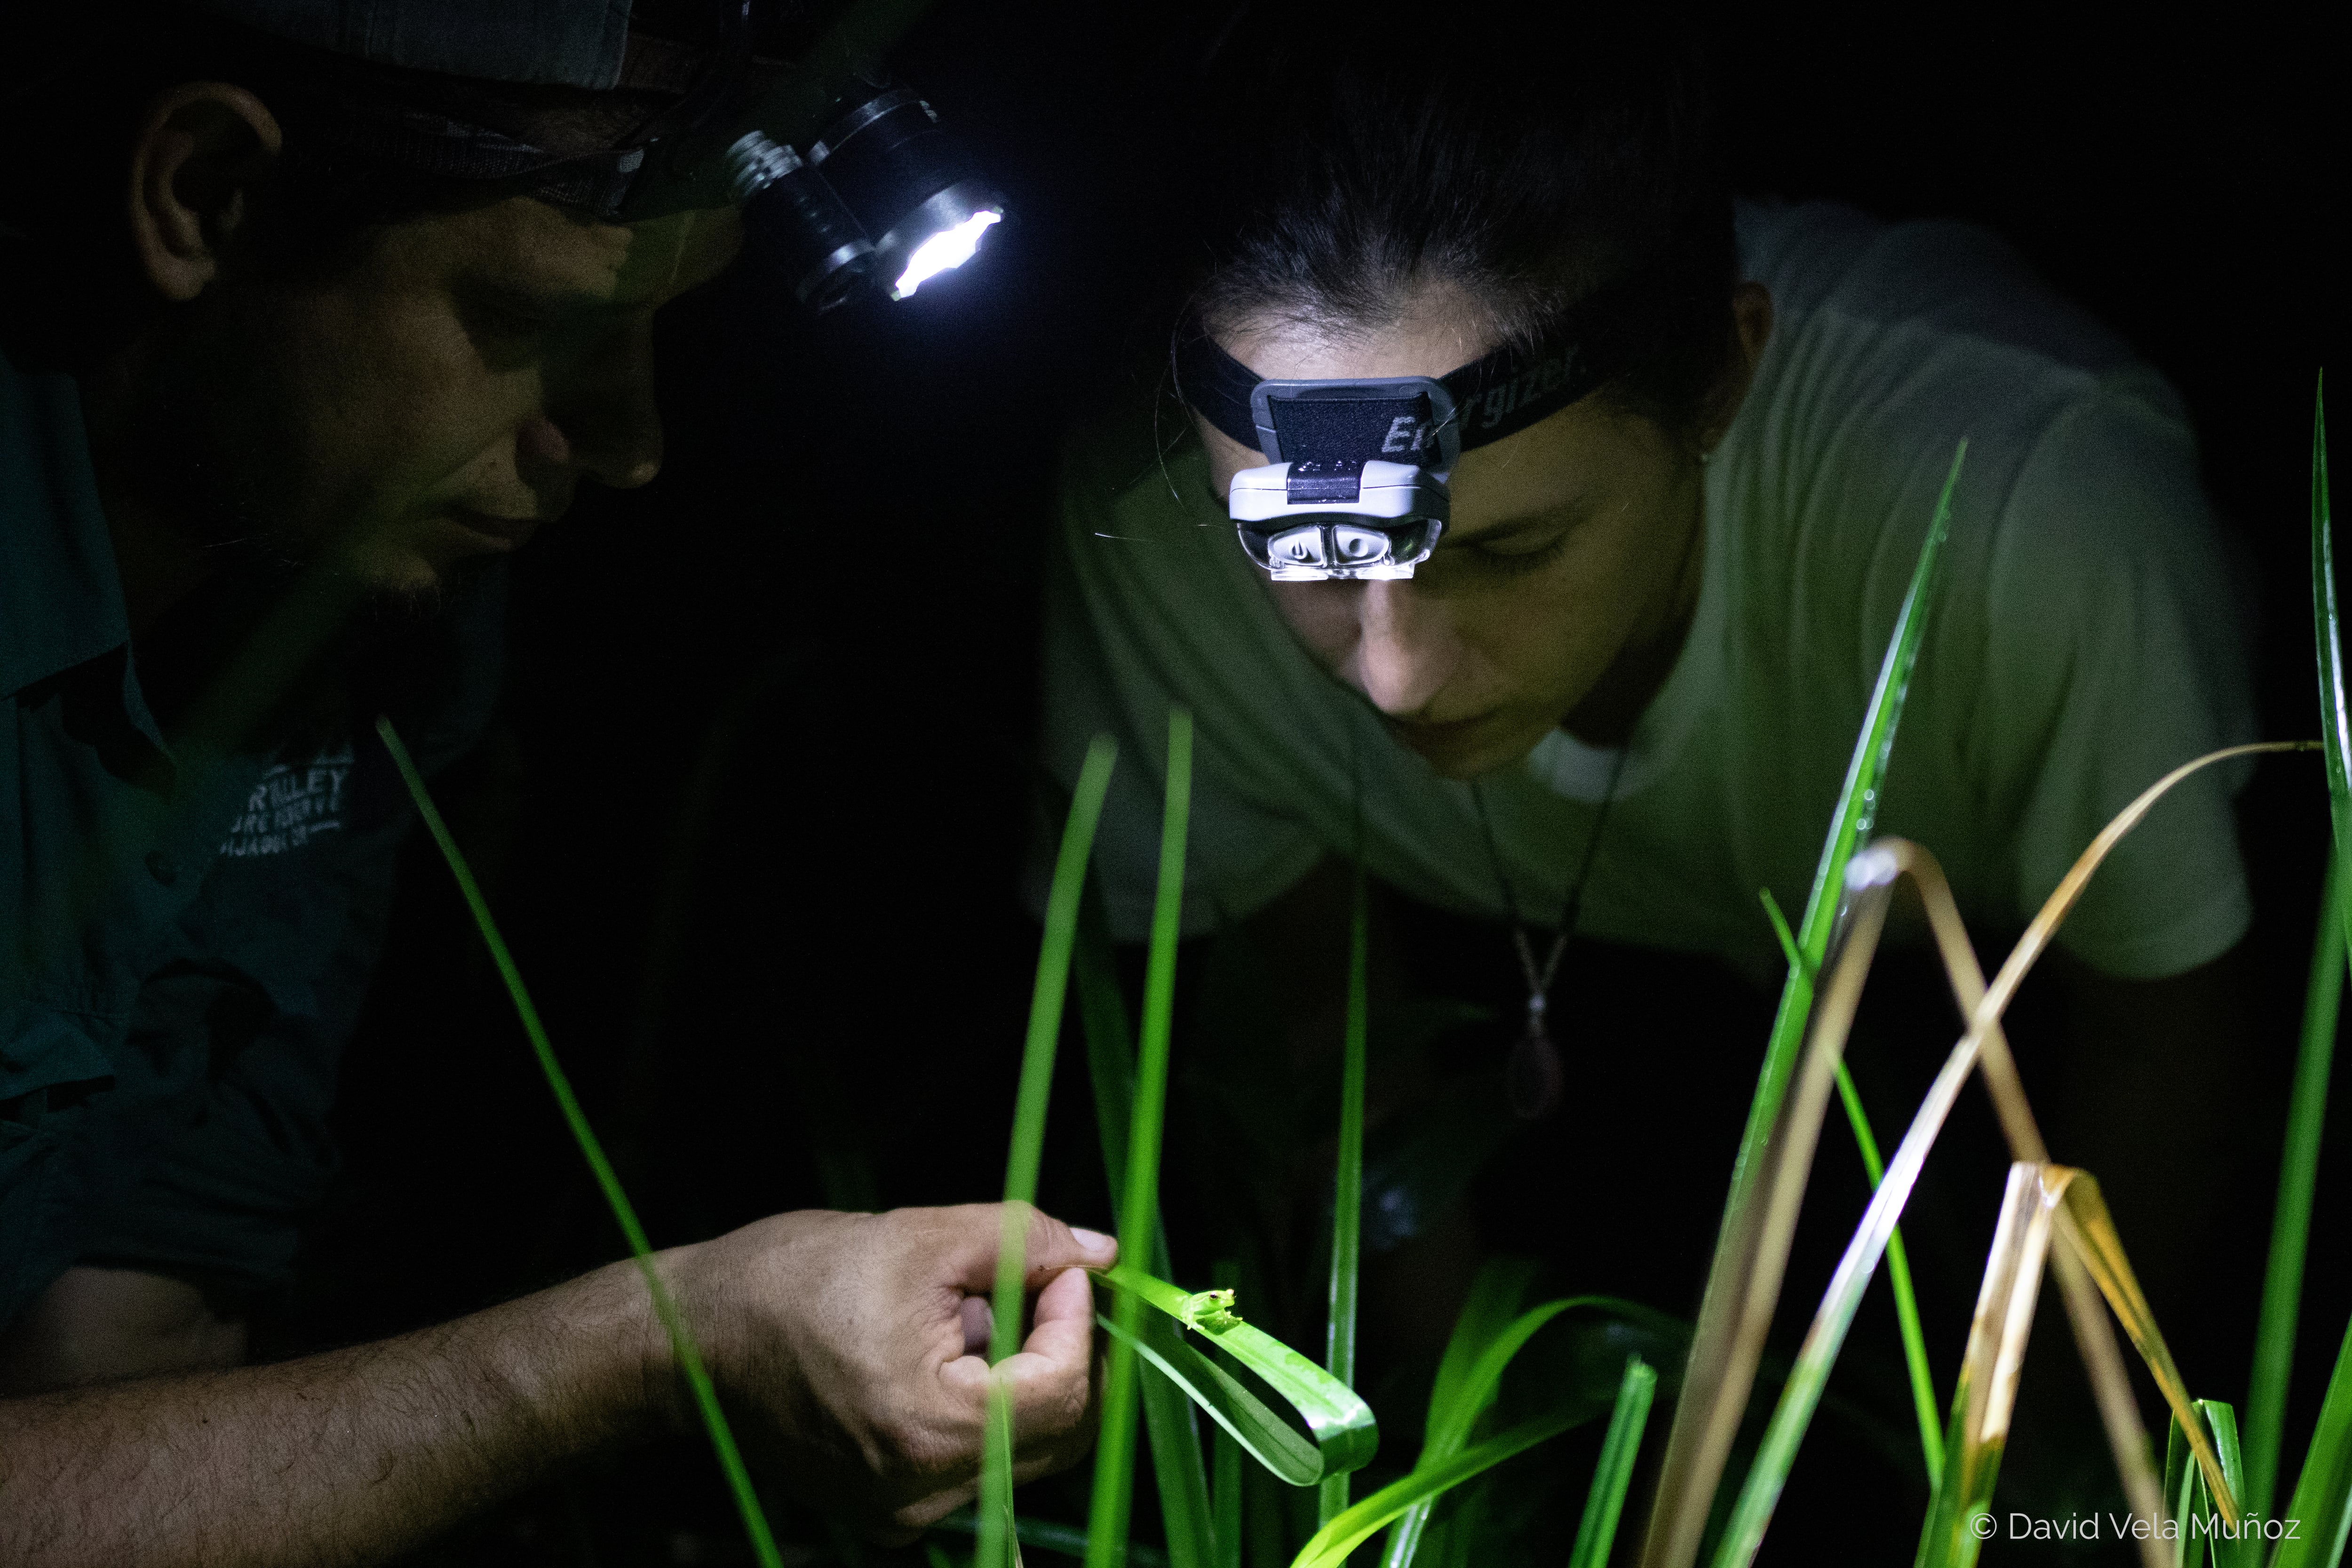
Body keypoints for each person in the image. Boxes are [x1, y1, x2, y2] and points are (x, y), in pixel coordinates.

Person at [0, 4, 1110, 1562]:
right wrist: (645, 1347)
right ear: (205, 196)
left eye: (658, 331)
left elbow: (126, 1346)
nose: (629, 440)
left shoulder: (353, 617)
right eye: (531, 321)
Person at [1040, 5, 2255, 1319]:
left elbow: (2166, 1031)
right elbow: (1325, 1031)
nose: (1394, 674)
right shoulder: (1149, 541)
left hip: (2007, 1047)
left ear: (1721, 383)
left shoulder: (2039, 521)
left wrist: (2039, 1480)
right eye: (1312, 555)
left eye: (1511, 549)